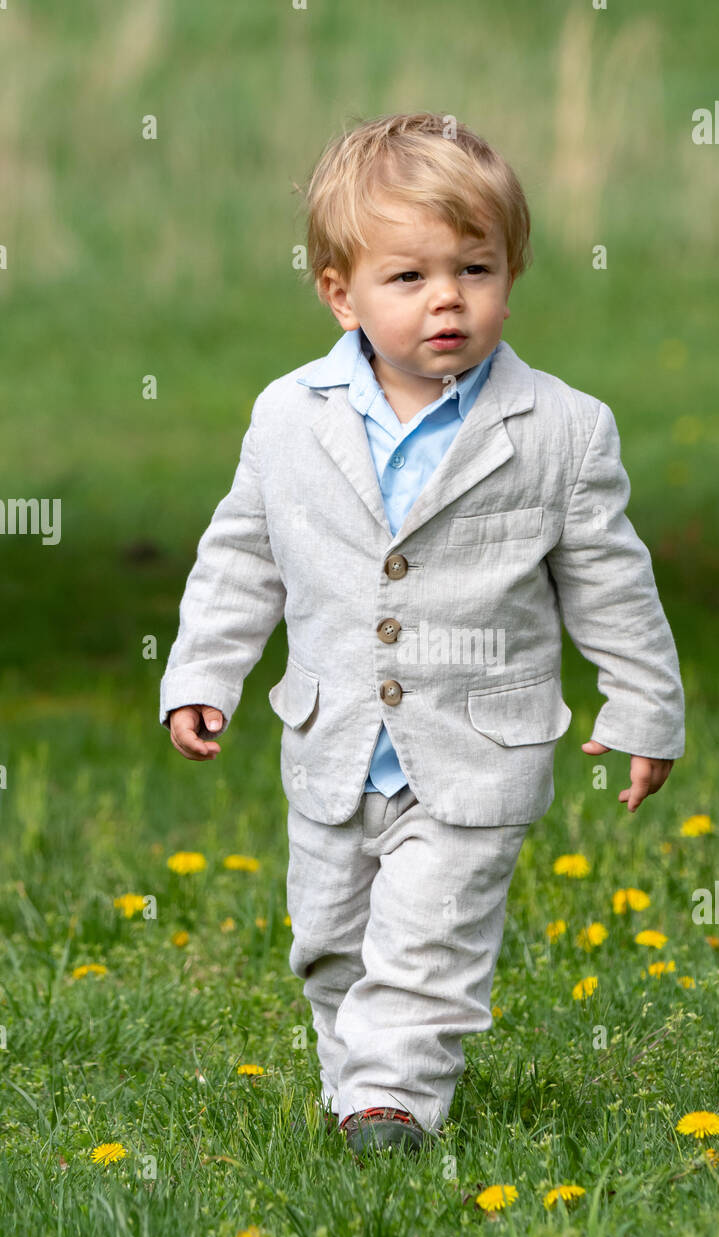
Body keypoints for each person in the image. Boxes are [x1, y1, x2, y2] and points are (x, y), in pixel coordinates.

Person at [160, 111, 684, 1157]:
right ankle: (352, 1076)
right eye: (407, 278)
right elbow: (240, 556)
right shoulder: (286, 416)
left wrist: (642, 706)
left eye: (474, 268)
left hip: (474, 751)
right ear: (337, 291)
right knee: (329, 946)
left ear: (510, 270)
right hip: (334, 744)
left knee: (428, 940)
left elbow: (610, 583)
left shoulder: (560, 429)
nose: (446, 298)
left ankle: (392, 1103)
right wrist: (201, 672)